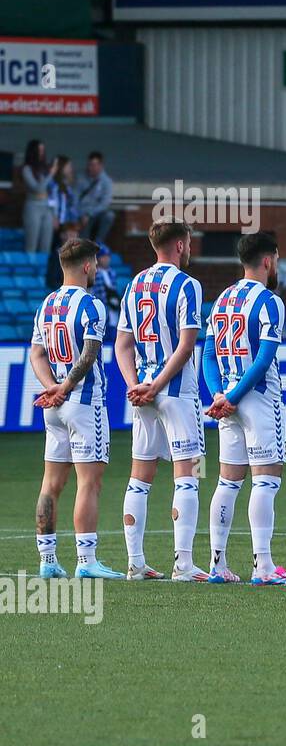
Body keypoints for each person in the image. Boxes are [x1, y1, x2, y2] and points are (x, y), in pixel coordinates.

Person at [201, 231, 286, 585]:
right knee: (266, 481)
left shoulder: (223, 299)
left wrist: (218, 395)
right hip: (256, 399)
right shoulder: (270, 301)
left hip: (226, 400)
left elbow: (208, 355)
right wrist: (235, 395)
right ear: (268, 260)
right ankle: (264, 566)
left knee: (228, 482)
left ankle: (218, 564)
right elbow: (263, 359)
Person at [116, 219, 206, 582]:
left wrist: (137, 384)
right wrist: (156, 385)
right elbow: (186, 345)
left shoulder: (134, 284)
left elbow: (122, 344)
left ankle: (135, 563)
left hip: (144, 396)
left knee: (140, 477)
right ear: (181, 245)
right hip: (178, 393)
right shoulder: (188, 285)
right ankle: (183, 564)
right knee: (191, 474)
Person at [30, 238, 123, 580]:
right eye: (95, 264)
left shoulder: (47, 305)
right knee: (89, 484)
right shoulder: (91, 305)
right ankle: (86, 561)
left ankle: (48, 560)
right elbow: (90, 353)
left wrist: (50, 387)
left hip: (53, 407)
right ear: (86, 266)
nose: (97, 269)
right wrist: (66, 387)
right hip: (84, 402)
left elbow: (36, 354)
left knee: (50, 484)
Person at [21, 139, 55, 254]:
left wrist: (55, 213)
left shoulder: (45, 168)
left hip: (47, 207)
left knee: (46, 245)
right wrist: (51, 174)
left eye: (43, 150)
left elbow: (52, 190)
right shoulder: (27, 169)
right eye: (39, 150)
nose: (41, 153)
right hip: (33, 206)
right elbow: (38, 188)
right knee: (31, 244)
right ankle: (30, 270)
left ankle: (43, 270)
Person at [77, 152, 114, 244]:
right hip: (81, 213)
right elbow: (75, 199)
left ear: (101, 166)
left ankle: (99, 243)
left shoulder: (106, 182)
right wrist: (82, 214)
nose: (92, 168)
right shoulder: (80, 179)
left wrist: (89, 214)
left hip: (96, 213)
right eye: (90, 165)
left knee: (109, 215)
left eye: (95, 165)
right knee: (84, 239)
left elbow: (104, 204)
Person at [92, 244, 119, 338]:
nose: (106, 259)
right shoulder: (96, 273)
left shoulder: (112, 273)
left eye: (108, 256)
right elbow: (98, 294)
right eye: (103, 256)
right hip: (103, 311)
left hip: (113, 310)